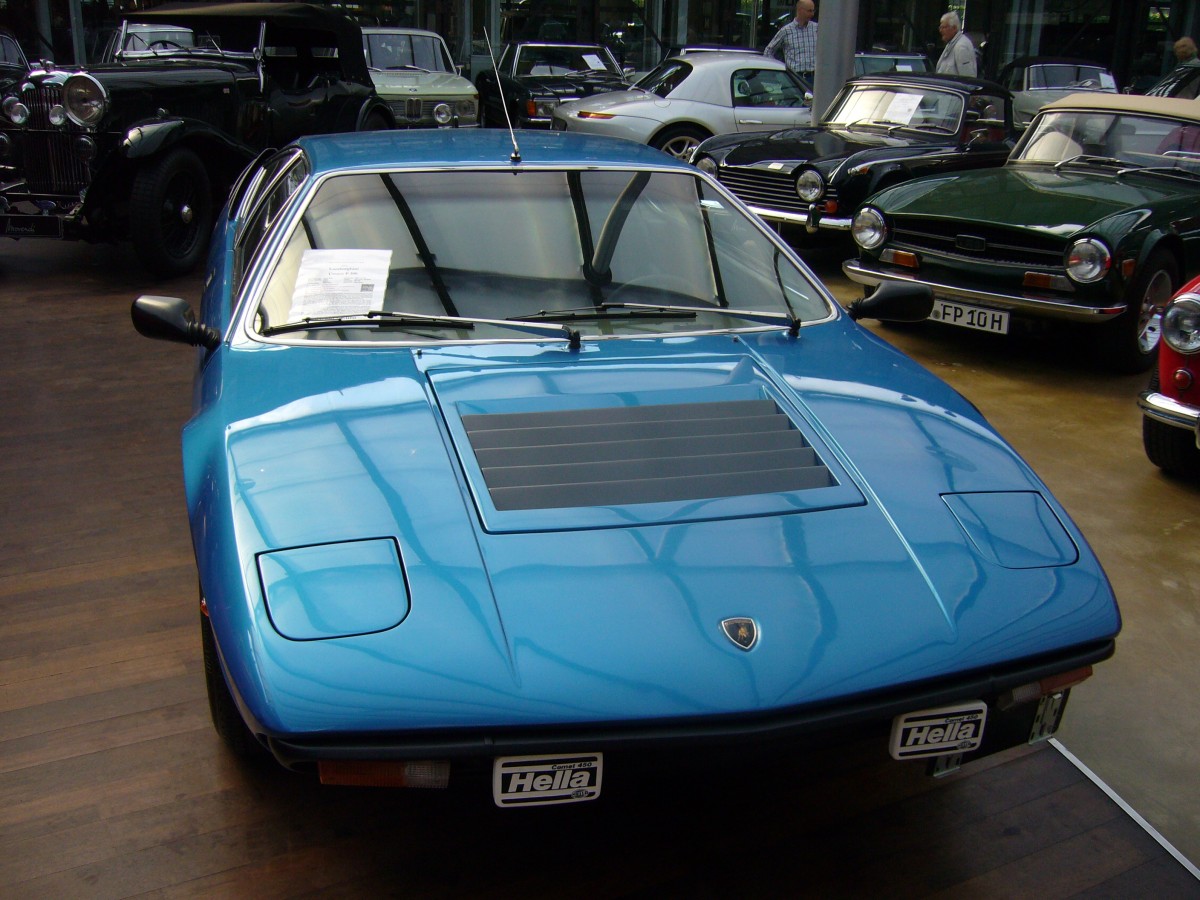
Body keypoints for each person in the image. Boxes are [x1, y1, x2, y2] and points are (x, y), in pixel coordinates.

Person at [764, 0, 817, 84]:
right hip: (793, 78)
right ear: (800, 10)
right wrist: (778, 71)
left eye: (813, 10)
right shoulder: (786, 31)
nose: (812, 14)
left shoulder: (817, 28)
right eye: (809, 11)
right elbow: (768, 51)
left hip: (814, 78)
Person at [936, 11, 977, 77]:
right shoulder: (951, 43)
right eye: (940, 27)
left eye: (944, 27)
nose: (940, 30)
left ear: (954, 28)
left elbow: (967, 78)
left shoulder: (961, 47)